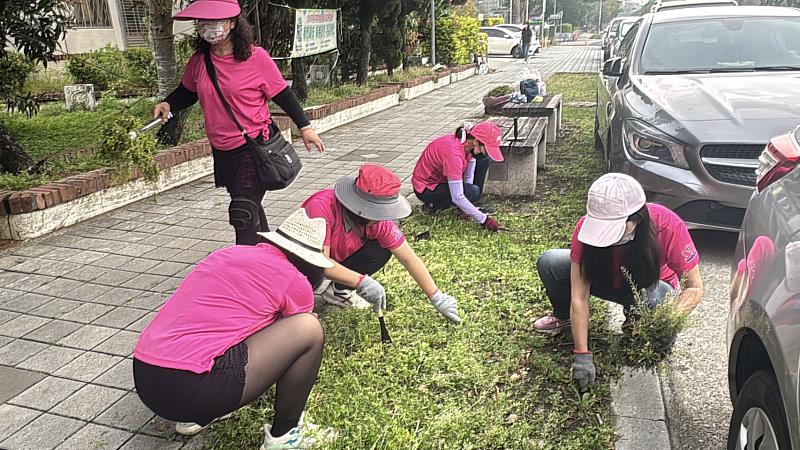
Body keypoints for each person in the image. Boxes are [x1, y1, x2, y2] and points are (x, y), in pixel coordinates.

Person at [133, 209, 334, 448]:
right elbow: (294, 331)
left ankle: (195, 419)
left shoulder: (227, 254)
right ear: (311, 263)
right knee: (308, 329)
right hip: (193, 388)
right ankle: (285, 435)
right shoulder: (295, 280)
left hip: (145, 377)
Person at [152, 0, 325, 246]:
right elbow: (188, 91)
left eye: (215, 22)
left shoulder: (256, 59)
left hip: (254, 147)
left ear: (233, 22)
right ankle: (267, 256)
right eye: (203, 22)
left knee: (242, 212)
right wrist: (168, 103)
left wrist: (305, 127)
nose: (209, 27)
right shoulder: (200, 61)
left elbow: (282, 94)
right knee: (249, 209)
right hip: (223, 151)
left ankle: (245, 270)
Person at [533, 173, 704, 391]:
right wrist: (582, 355)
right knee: (550, 262)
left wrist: (667, 322)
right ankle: (563, 318)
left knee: (655, 295)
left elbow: (694, 286)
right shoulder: (584, 228)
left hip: (648, 291)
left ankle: (636, 326)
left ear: (637, 219)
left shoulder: (667, 225)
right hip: (605, 281)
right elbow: (579, 296)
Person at [303, 164, 461, 323]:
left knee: (381, 249)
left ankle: (339, 291)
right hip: (304, 263)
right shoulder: (322, 207)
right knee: (301, 300)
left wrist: (436, 296)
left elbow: (409, 258)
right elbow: (318, 261)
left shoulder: (378, 223)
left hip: (335, 259)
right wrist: (361, 282)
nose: (383, 217)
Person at [412, 121, 505, 232]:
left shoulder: (468, 145)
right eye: (486, 149)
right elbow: (457, 196)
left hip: (442, 180)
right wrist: (484, 220)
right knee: (472, 192)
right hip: (427, 188)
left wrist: (468, 202)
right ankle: (433, 205)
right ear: (476, 142)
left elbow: (469, 176)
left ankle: (468, 204)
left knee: (482, 164)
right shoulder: (454, 155)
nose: (486, 153)